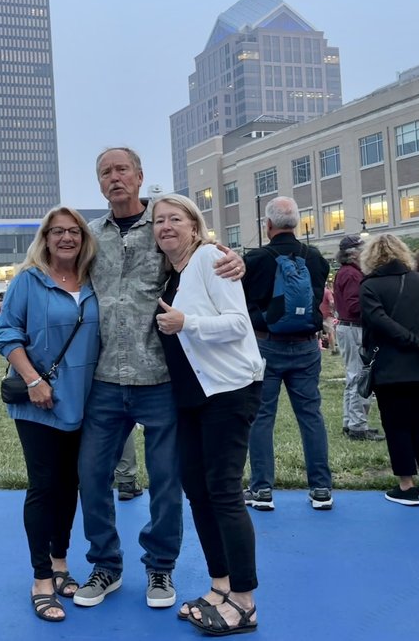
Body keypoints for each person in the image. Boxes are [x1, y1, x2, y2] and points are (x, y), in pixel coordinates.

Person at [74, 147, 244, 611]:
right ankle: (105, 564)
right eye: (105, 171)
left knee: (167, 483)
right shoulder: (90, 236)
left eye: (121, 169)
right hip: (105, 380)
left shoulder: (163, 228)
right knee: (91, 476)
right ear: (100, 182)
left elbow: (203, 255)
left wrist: (236, 259)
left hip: (162, 379)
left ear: (139, 175)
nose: (114, 178)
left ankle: (160, 566)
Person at [151, 194, 264, 635]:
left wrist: (188, 323)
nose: (165, 226)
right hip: (191, 399)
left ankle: (246, 600)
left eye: (174, 218)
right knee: (197, 489)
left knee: (223, 492)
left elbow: (238, 323)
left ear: (194, 226)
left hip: (229, 392)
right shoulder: (170, 275)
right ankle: (221, 586)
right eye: (158, 221)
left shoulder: (211, 259)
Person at [0, 206, 100, 623]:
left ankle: (60, 563)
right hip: (39, 402)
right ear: (46, 238)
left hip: (85, 401)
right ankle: (40, 578)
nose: (67, 238)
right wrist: (34, 380)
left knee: (70, 484)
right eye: (58, 232)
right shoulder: (28, 281)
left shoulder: (93, 281)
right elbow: (5, 333)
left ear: (83, 237)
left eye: (74, 231)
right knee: (44, 485)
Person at [243, 196, 334, 512]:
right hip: (307, 345)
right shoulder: (315, 257)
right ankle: (321, 488)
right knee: (310, 415)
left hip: (266, 344)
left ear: (267, 225)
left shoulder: (256, 259)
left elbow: (244, 302)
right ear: (297, 223)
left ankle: (262, 489)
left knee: (262, 417)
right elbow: (318, 296)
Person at [359, 235, 419, 506]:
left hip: (392, 365)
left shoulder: (369, 286)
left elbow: (379, 321)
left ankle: (406, 486)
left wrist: (415, 343)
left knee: (396, 425)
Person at [332, 234, 383, 442]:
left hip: (347, 327)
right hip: (354, 327)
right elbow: (355, 305)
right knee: (359, 377)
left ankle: (350, 421)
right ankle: (357, 426)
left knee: (353, 376)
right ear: (353, 254)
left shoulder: (344, 272)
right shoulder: (353, 275)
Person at [319, 286, 337, 354]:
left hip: (319, 314)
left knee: (317, 333)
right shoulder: (327, 292)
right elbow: (332, 302)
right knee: (330, 332)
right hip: (327, 315)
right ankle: (333, 349)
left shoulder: (317, 290)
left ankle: (319, 347)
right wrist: (332, 310)